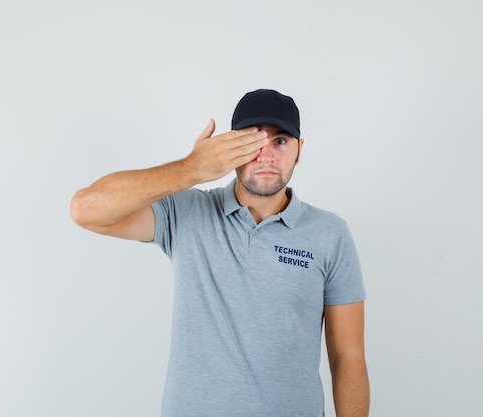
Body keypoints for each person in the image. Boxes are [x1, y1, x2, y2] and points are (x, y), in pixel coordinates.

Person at [70, 89, 369, 417]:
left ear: (299, 150)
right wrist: (191, 169)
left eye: (280, 141)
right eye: (251, 142)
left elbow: (348, 356)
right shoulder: (187, 212)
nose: (265, 155)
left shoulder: (330, 233)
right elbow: (86, 209)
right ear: (229, 147)